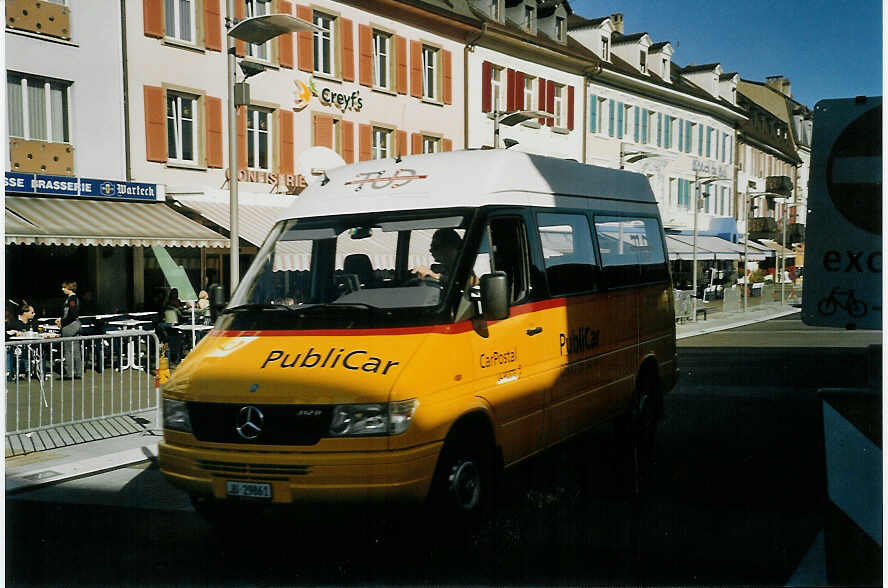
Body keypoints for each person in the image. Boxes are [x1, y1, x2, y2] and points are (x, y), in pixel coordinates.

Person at [56, 281, 82, 378]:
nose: (62, 289)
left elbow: (73, 314)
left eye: (64, 287)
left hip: (70, 326)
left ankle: (70, 372)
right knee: (75, 349)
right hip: (75, 325)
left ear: (69, 288)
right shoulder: (73, 298)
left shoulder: (71, 299)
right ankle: (78, 372)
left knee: (68, 350)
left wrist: (62, 322)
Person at [6, 303, 36, 379]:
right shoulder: (13, 322)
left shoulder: (33, 322)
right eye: (32, 312)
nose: (34, 314)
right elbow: (6, 333)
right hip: (15, 346)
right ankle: (15, 371)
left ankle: (28, 371)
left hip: (30, 346)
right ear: (24, 313)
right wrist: (13, 333)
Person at [158, 289, 184, 366]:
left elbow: (162, 314)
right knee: (179, 339)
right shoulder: (176, 302)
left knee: (167, 342)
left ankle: (170, 358)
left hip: (167, 326)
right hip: (176, 325)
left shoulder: (166, 303)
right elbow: (181, 314)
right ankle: (177, 358)